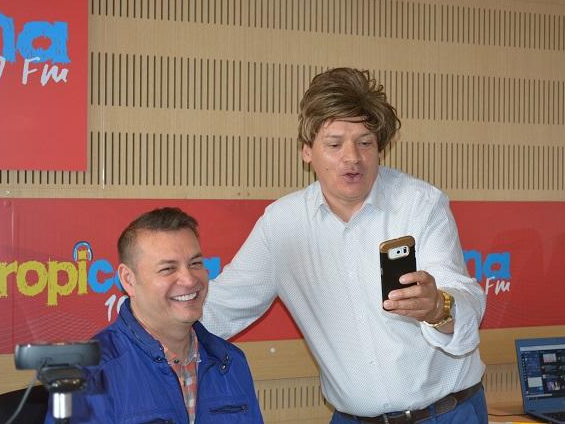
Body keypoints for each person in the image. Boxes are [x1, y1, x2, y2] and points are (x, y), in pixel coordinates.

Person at [202, 68, 487, 423]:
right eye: (335, 144)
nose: (352, 157)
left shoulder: (419, 204)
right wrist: (152, 317)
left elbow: (466, 298)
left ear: (380, 150)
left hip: (447, 414)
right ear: (307, 151)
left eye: (365, 143)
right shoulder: (282, 224)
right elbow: (221, 308)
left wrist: (437, 307)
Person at [46, 207, 263, 423]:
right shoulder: (89, 375)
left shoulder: (231, 362)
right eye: (168, 269)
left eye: (195, 263)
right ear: (128, 280)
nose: (189, 280)